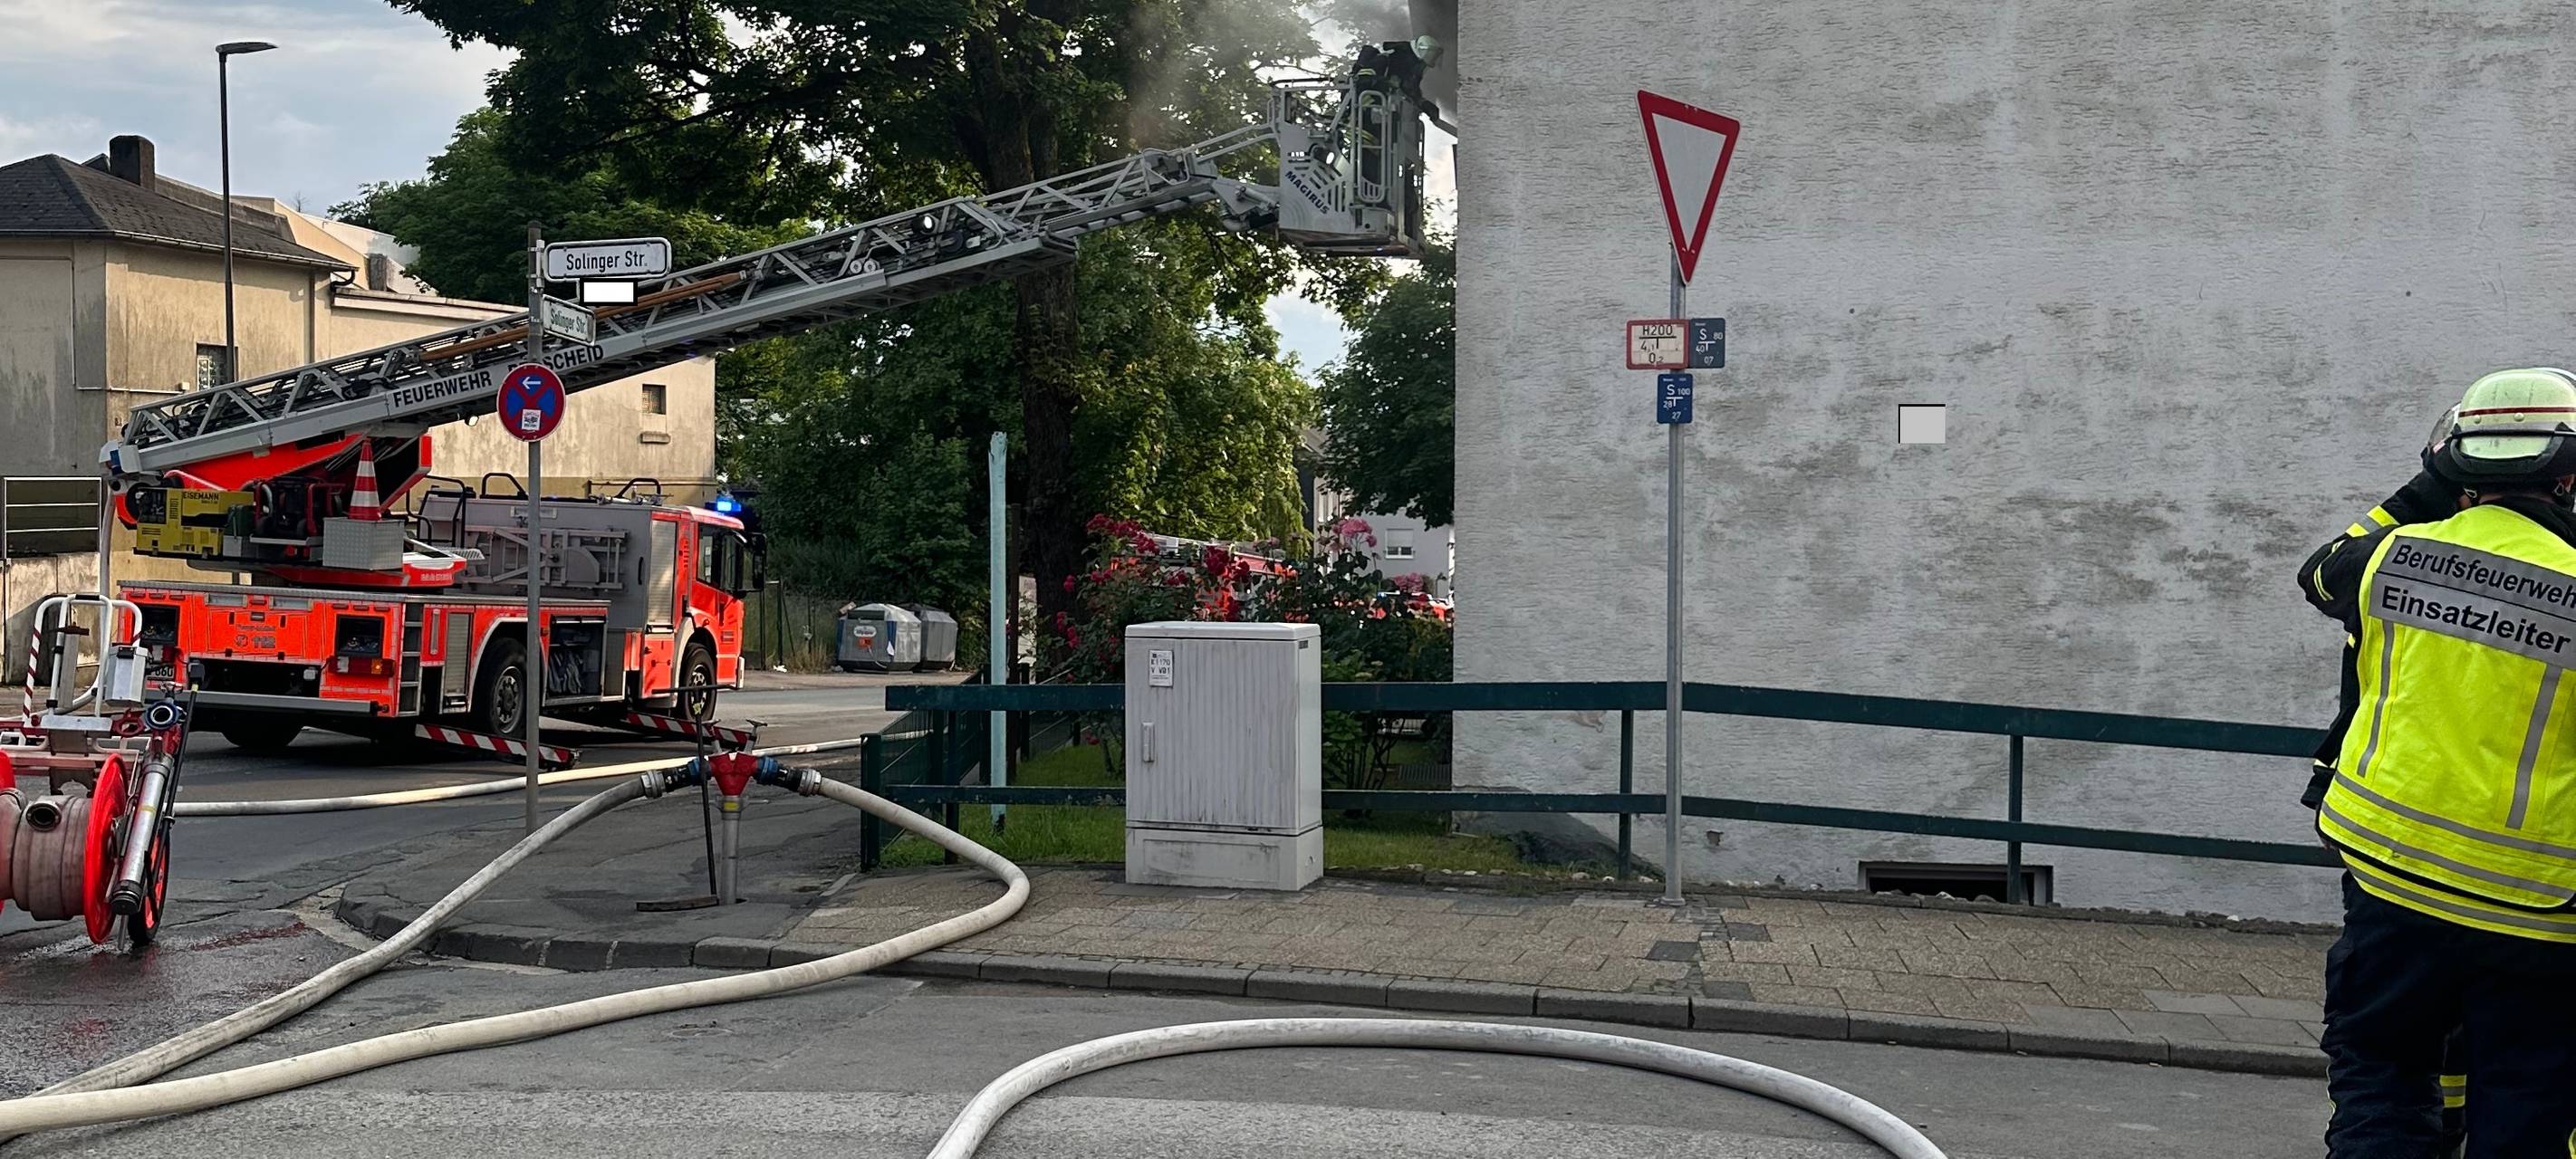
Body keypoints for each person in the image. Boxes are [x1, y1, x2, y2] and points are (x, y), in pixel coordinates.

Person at [2296, 367, 2576, 1157]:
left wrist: (2427, 483)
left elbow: (2319, 569)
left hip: (2389, 877)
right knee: (2524, 1107)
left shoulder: (2387, 559)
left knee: (2381, 1080)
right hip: (2536, 907)